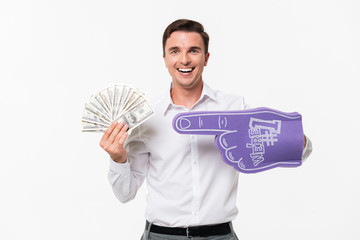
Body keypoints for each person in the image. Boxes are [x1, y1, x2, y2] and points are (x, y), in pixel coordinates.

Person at [100, 19, 312, 240]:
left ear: (206, 58)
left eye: (194, 50)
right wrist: (118, 159)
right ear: (164, 59)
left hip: (220, 235)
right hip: (160, 236)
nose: (184, 59)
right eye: (175, 51)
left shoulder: (234, 108)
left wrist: (288, 135)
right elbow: (125, 194)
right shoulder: (146, 117)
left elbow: (302, 151)